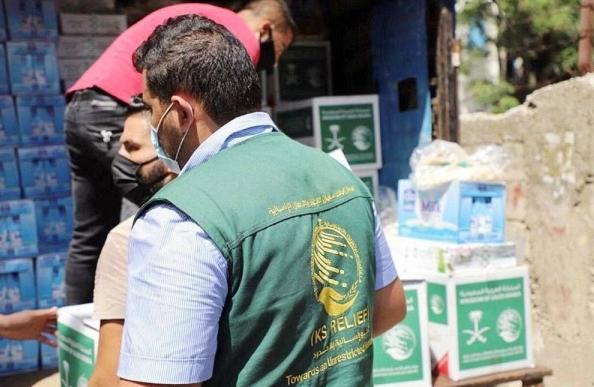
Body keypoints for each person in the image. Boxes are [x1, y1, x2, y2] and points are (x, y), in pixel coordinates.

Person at [118, 14, 406, 387]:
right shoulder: (341, 177)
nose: (154, 123)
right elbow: (389, 308)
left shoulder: (181, 217)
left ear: (182, 111)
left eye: (152, 109)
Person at [64, 0, 297, 305]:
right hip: (118, 110)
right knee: (186, 214)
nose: (274, 62)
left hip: (80, 108)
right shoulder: (234, 38)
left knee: (90, 232)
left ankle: (78, 324)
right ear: (266, 29)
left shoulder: (209, 19)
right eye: (279, 49)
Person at [89, 95, 176, 387]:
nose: (120, 160)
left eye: (132, 148)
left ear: (169, 155)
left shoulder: (128, 238)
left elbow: (107, 378)